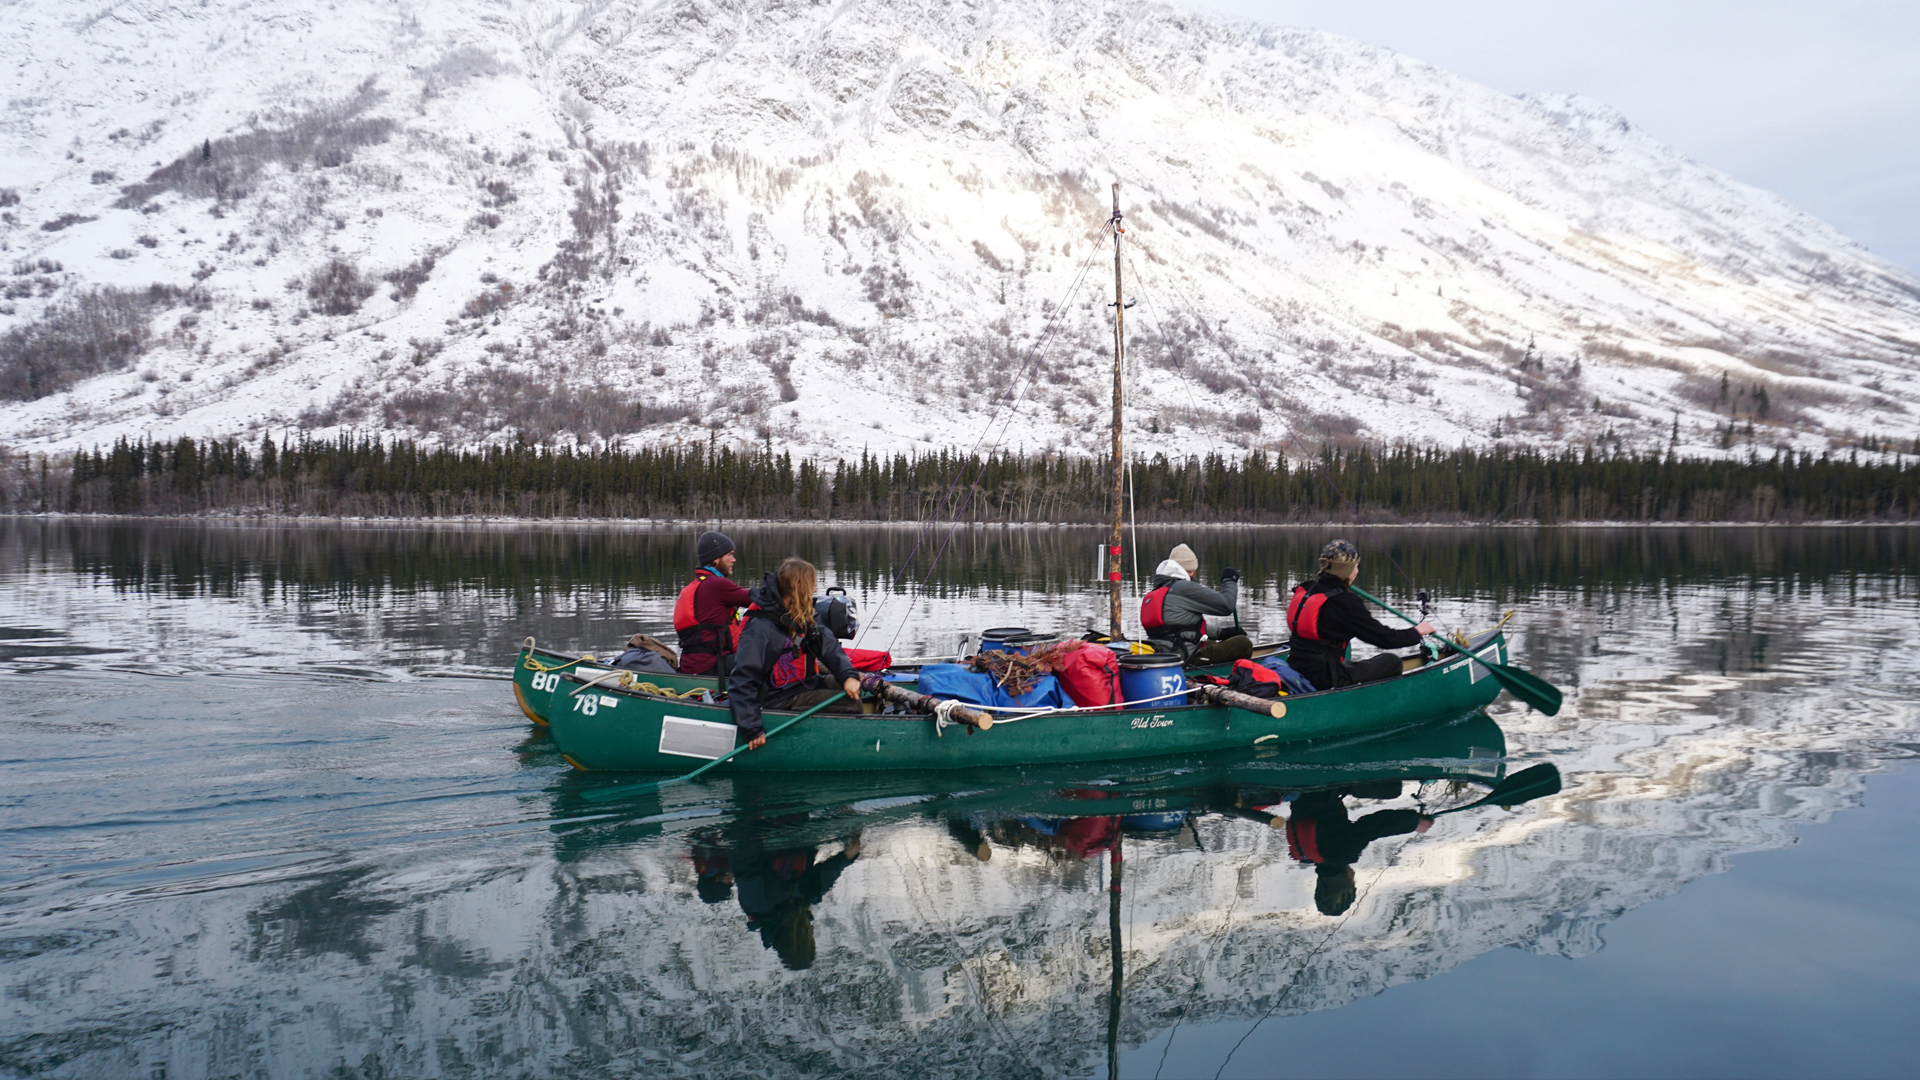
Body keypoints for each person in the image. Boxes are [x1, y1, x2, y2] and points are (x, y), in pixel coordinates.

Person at [729, 557, 863, 750]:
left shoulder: (797, 614)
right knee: (851, 703)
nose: (814, 590)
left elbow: (826, 644)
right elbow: (743, 679)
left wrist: (847, 675)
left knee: (854, 688)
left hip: (803, 684)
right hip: (778, 698)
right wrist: (751, 727)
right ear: (798, 588)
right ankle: (849, 748)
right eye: (811, 585)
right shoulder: (759, 628)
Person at [1284, 539, 1435, 692]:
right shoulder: (1345, 602)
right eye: (1356, 566)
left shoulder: (1306, 590)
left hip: (1295, 668)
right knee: (1392, 662)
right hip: (1325, 679)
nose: (1357, 571)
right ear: (1346, 570)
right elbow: (1385, 639)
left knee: (1346, 661)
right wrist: (1417, 632)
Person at [1284, 784, 1432, 916]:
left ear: (1344, 883)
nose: (1353, 878)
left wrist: (1414, 823)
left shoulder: (1341, 854)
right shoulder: (1307, 855)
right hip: (1302, 789)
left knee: (1391, 790)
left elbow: (1374, 826)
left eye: (1352, 884)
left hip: (1324, 785)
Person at [1139, 542, 1253, 664]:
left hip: (1161, 653)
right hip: (1185, 657)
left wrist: (1222, 633)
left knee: (1211, 643)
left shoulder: (1158, 591)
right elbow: (1227, 605)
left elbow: (1184, 628)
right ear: (1190, 571)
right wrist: (1229, 581)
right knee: (1243, 644)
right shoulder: (1184, 588)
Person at [673, 530, 750, 678]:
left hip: (690, 666)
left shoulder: (694, 586)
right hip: (714, 667)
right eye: (729, 555)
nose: (733, 560)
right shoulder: (716, 584)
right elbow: (755, 598)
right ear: (716, 559)